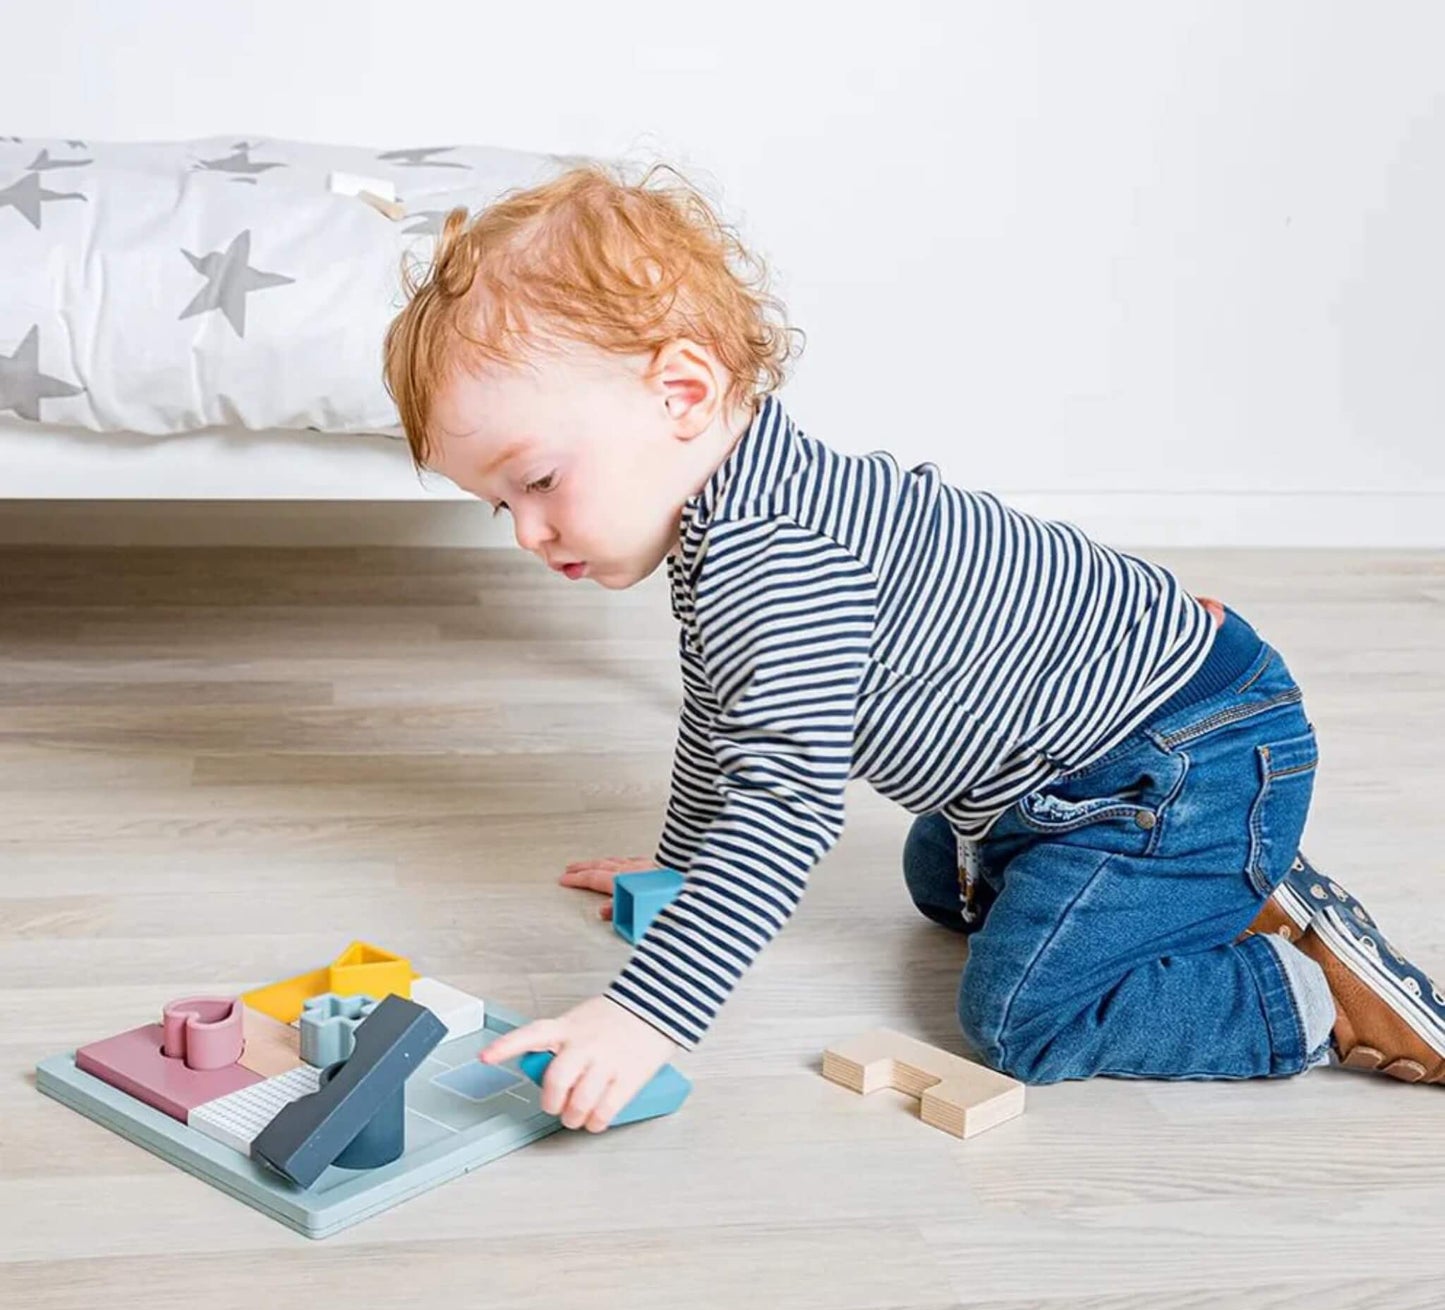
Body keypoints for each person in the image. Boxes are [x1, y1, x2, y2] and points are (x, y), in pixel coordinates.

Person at [382, 160, 1444, 1131]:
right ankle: (1203, 871)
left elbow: (785, 806)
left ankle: (1291, 990)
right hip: (1107, 756)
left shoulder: (777, 557)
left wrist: (643, 1015)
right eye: (496, 508)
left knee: (1022, 1011)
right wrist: (682, 863)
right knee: (940, 881)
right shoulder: (732, 510)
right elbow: (723, 716)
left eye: (535, 481)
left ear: (682, 393)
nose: (526, 531)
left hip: (1175, 756)